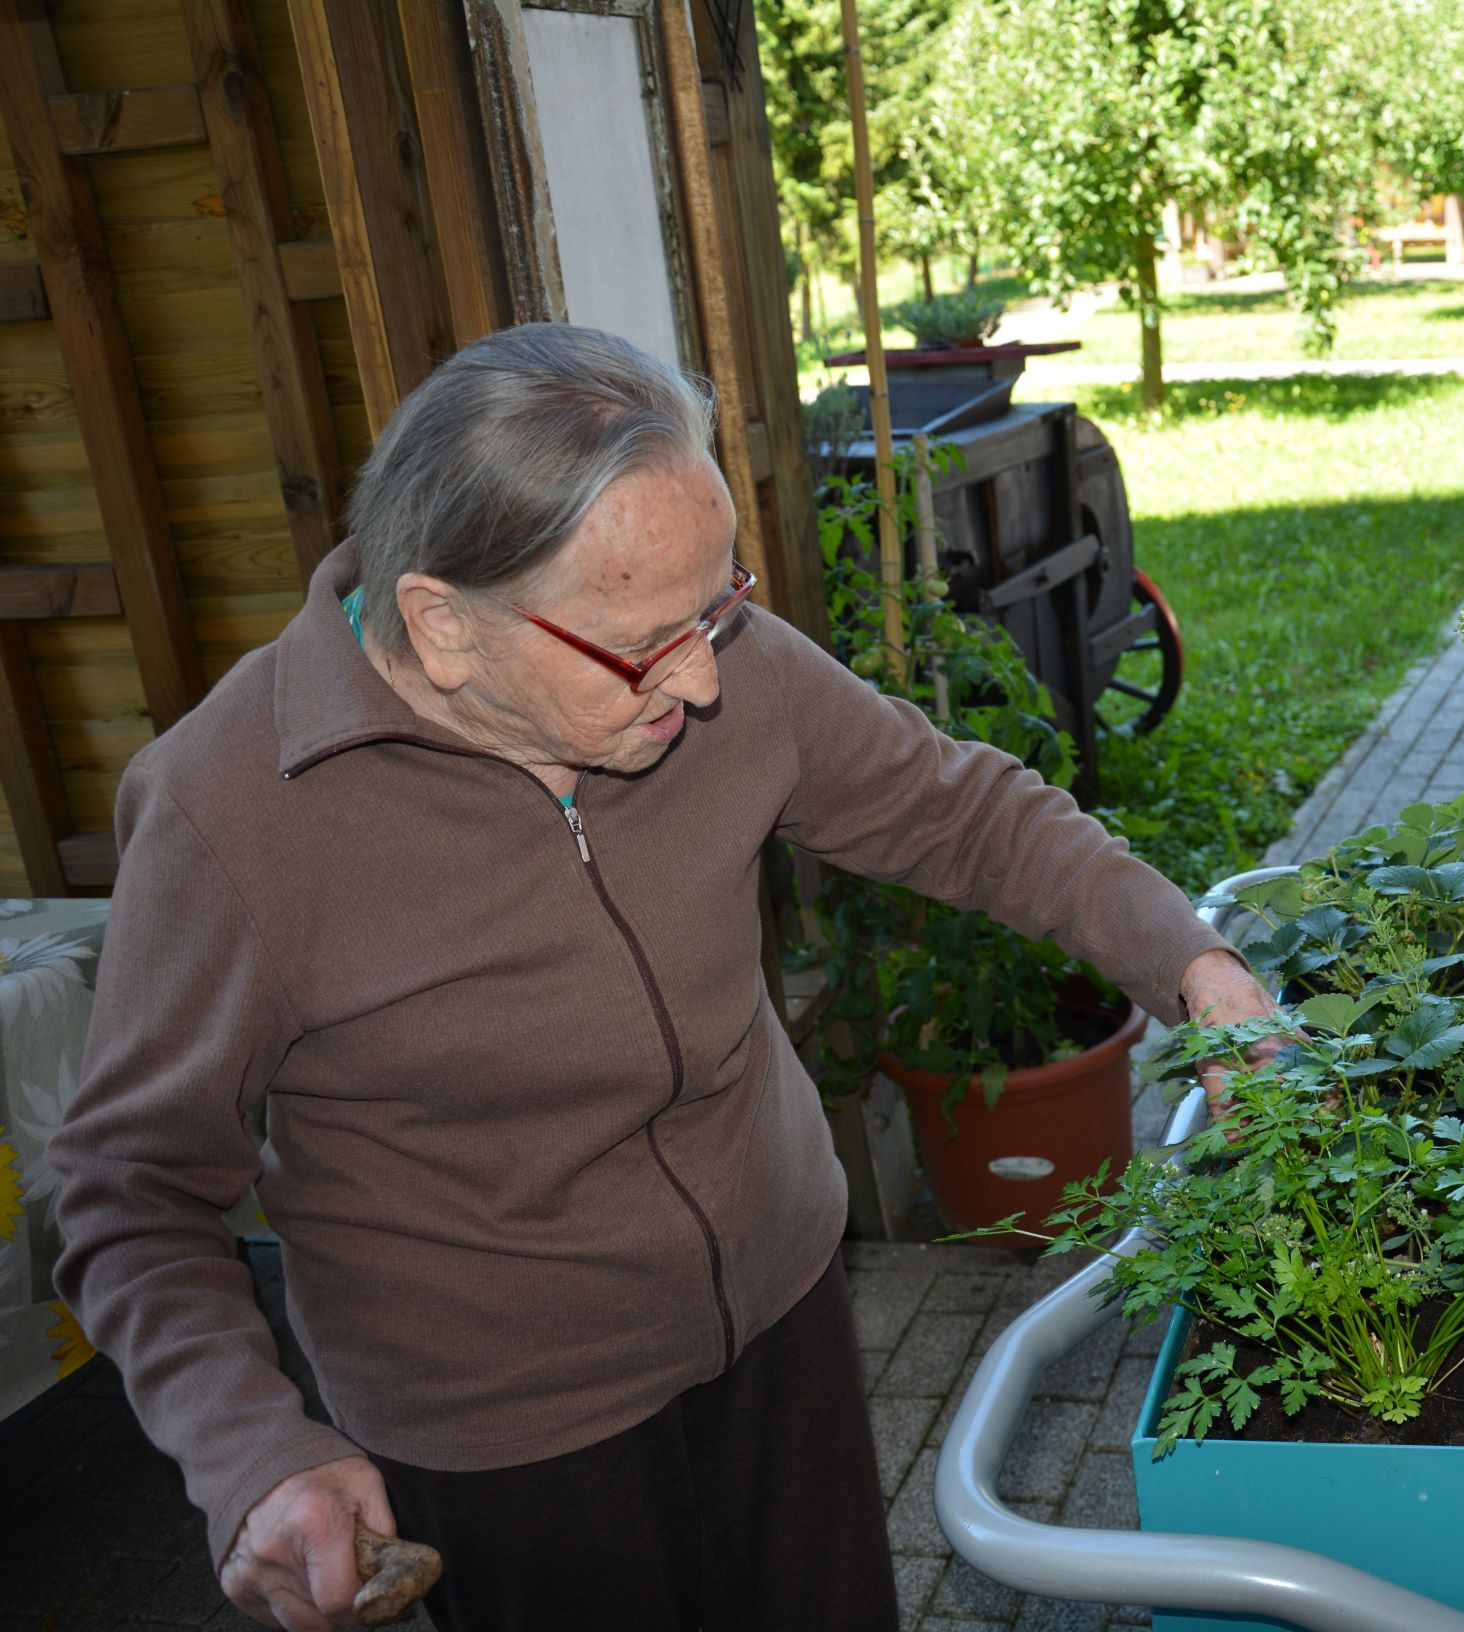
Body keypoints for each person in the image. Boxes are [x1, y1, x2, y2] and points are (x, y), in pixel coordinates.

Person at [47, 324, 1278, 1632]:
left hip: (781, 1314)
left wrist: (1194, 964)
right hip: (510, 1433)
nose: (703, 676)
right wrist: (251, 1452)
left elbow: (961, 815)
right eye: (646, 643)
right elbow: (128, 1188)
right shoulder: (231, 813)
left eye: (718, 604)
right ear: (445, 628)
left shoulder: (706, 656)